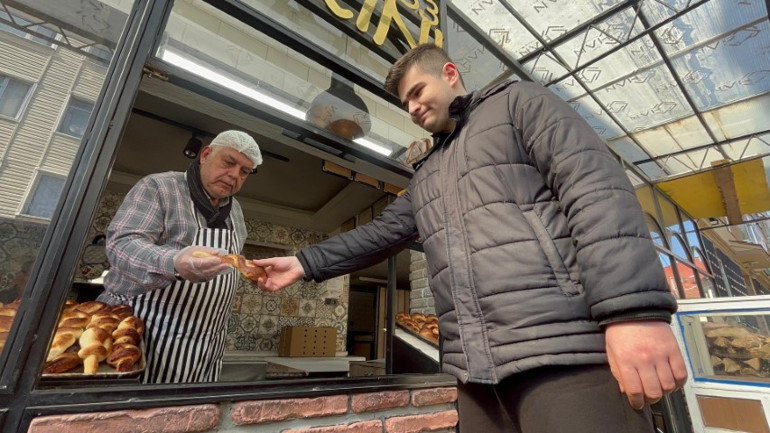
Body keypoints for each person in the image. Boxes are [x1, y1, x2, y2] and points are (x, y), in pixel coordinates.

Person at [254, 44, 687, 432]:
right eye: (405, 102)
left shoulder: (519, 102)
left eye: (418, 91)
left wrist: (633, 313)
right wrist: (304, 262)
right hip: (476, 377)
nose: (413, 108)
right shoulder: (428, 174)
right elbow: (382, 232)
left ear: (449, 73)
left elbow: (595, 188)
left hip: (565, 356)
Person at [98, 130, 262, 384]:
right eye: (229, 162)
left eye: (244, 172)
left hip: (204, 345)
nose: (234, 175)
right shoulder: (159, 187)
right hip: (145, 336)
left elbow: (228, 262)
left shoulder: (235, 211)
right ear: (206, 154)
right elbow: (122, 245)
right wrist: (174, 262)